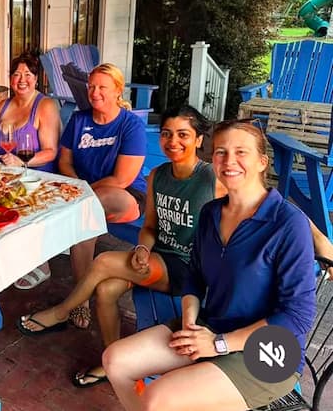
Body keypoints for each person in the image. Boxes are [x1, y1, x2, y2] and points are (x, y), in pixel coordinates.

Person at [102, 119, 316, 411]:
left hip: (271, 352)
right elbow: (194, 276)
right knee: (115, 361)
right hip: (211, 325)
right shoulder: (211, 213)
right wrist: (190, 324)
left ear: (262, 162)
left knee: (158, 399)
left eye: (241, 152)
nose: (229, 161)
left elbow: (297, 316)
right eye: (221, 152)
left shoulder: (287, 223)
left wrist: (220, 343)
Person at [18, 105, 226, 388]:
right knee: (105, 290)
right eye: (167, 134)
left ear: (199, 139)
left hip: (189, 270)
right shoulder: (158, 176)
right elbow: (150, 227)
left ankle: (62, 311)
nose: (173, 141)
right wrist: (142, 249)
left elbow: (252, 202)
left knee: (103, 261)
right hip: (157, 259)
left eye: (183, 135)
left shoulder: (211, 178)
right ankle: (111, 364)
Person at [58, 62, 147, 328]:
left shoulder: (130, 125)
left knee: (89, 208)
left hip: (125, 196)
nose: (95, 93)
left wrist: (81, 192)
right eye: (91, 87)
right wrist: (77, 186)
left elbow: (122, 179)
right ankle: (81, 301)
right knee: (85, 222)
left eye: (102, 87)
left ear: (118, 91)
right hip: (85, 195)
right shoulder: (79, 120)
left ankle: (78, 298)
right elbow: (64, 161)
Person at [0, 53, 61, 289]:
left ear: (36, 78)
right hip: (1, 174)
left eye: (28, 74)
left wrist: (21, 162)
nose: (22, 79)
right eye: (16, 74)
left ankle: (41, 263)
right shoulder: (2, 105)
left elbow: (51, 152)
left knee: (14, 200)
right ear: (10, 78)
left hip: (35, 176)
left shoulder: (45, 105)